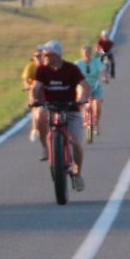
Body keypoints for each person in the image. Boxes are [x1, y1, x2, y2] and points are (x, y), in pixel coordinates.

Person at [28, 39, 91, 190]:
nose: (44, 56)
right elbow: (35, 87)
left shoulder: (71, 69)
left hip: (70, 108)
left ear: (56, 55)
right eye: (43, 54)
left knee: (76, 143)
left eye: (46, 54)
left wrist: (83, 98)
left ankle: (77, 173)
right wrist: (33, 99)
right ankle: (45, 147)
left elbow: (85, 86)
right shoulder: (42, 70)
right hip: (51, 107)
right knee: (40, 116)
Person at [77, 42, 107, 138]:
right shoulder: (78, 64)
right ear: (82, 53)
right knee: (79, 100)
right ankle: (80, 118)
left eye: (88, 52)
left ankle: (96, 123)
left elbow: (102, 71)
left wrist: (104, 77)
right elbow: (72, 74)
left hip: (95, 86)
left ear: (91, 53)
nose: (87, 54)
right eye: (85, 52)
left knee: (97, 105)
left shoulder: (96, 62)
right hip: (83, 87)